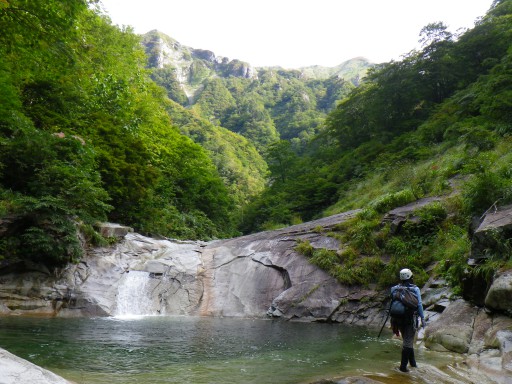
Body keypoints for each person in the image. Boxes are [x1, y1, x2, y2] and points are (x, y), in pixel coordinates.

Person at [390, 268, 425, 372]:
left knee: (407, 340)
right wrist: (422, 318)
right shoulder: (415, 289)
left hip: (396, 319)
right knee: (408, 342)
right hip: (409, 319)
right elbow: (419, 304)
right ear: (410, 276)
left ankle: (413, 364)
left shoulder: (394, 289)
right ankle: (403, 368)